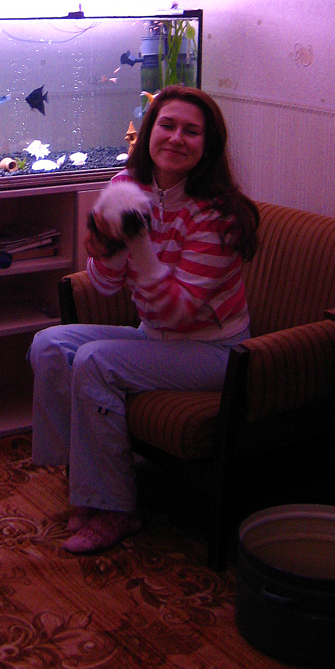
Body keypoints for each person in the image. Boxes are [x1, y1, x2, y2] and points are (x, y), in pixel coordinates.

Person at [28, 86, 260, 554]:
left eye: (192, 131)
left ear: (208, 146)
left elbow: (176, 309)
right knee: (49, 345)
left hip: (215, 350)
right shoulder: (126, 186)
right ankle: (83, 479)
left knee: (95, 361)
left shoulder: (219, 216)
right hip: (155, 336)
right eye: (167, 125)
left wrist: (136, 240)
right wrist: (108, 246)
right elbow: (106, 285)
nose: (176, 138)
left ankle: (117, 509)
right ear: (149, 132)